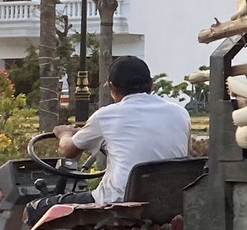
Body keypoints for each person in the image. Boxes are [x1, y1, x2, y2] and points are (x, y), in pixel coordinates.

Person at [55, 56, 192, 205]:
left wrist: (65, 134)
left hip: (118, 205)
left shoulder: (105, 116)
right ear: (151, 83)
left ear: (112, 87)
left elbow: (68, 150)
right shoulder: (180, 113)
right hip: (169, 204)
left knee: (37, 208)